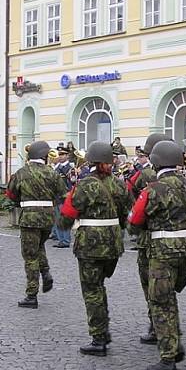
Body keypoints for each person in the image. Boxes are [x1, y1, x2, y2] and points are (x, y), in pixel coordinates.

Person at [128, 140, 186, 370]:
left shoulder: (152, 189)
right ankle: (173, 342)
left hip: (163, 249)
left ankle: (168, 357)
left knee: (161, 301)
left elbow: (134, 222)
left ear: (155, 161)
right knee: (170, 295)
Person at [58, 141, 129, 356]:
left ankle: (99, 337)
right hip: (114, 243)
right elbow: (127, 212)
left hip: (90, 245)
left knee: (92, 289)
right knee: (100, 286)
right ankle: (103, 329)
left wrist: (63, 226)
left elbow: (69, 213)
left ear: (91, 160)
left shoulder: (85, 184)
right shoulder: (119, 184)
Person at [5, 140, 66, 308]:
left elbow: (11, 194)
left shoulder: (21, 173)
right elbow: (63, 194)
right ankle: (45, 273)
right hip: (47, 218)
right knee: (39, 247)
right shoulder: (52, 173)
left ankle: (31, 295)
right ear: (44, 156)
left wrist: (22, 200)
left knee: (30, 256)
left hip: (29, 218)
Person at [126, 133, 171, 344]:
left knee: (150, 285)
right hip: (175, 239)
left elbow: (130, 190)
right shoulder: (183, 177)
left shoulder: (145, 175)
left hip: (147, 236)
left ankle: (156, 325)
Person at [52, 148, 74, 249]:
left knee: (64, 219)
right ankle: (61, 239)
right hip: (56, 197)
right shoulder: (57, 168)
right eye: (59, 155)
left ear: (67, 156)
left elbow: (72, 182)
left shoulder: (70, 168)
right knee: (57, 219)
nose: (60, 156)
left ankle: (66, 240)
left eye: (63, 155)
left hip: (65, 198)